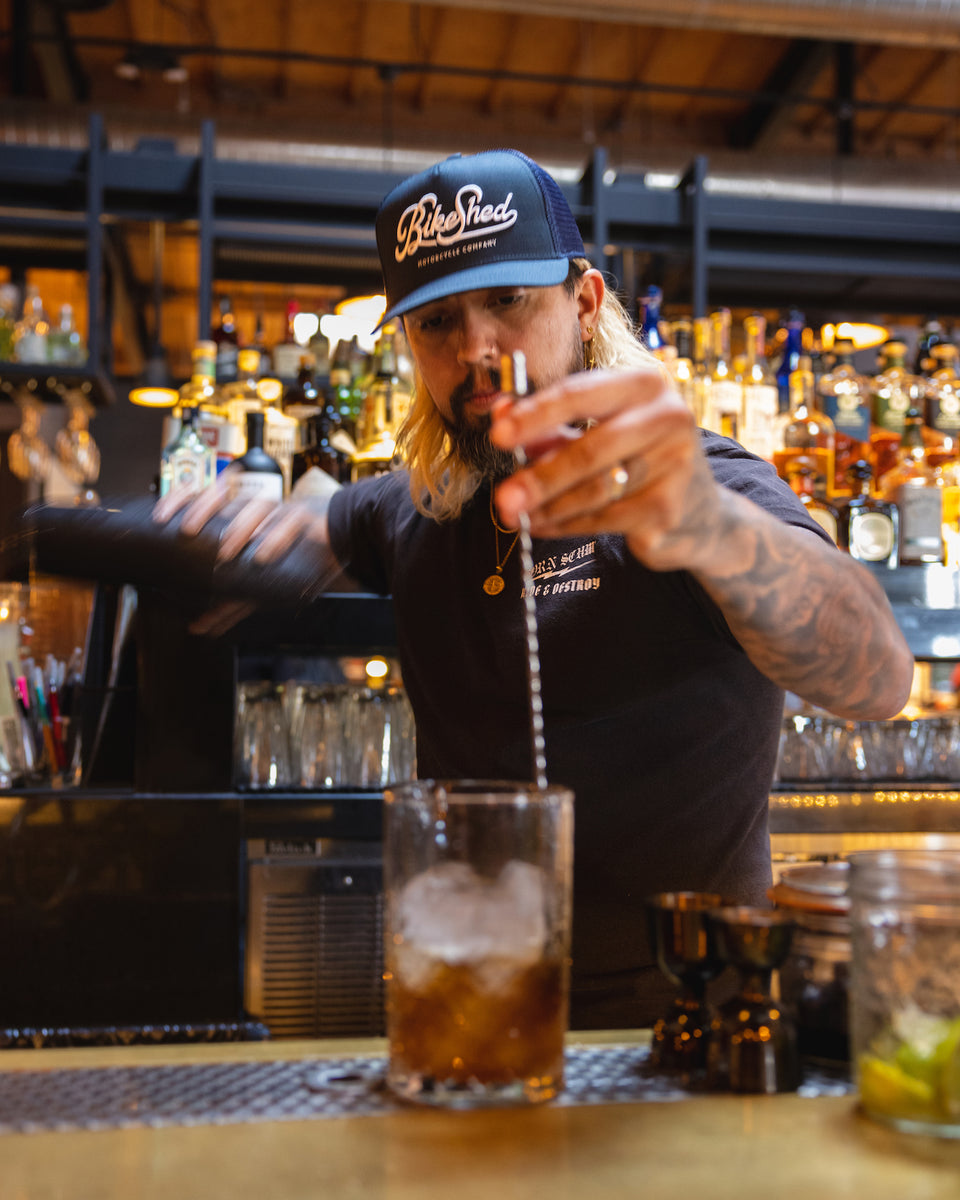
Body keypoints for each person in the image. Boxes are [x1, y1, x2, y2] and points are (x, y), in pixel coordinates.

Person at [156, 149, 914, 1029]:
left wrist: (710, 528)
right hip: (471, 1015)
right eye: (437, 320)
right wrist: (268, 522)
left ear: (584, 305)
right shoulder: (419, 508)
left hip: (685, 1026)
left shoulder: (702, 485)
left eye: (508, 301)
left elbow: (878, 679)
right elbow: (324, 517)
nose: (476, 349)